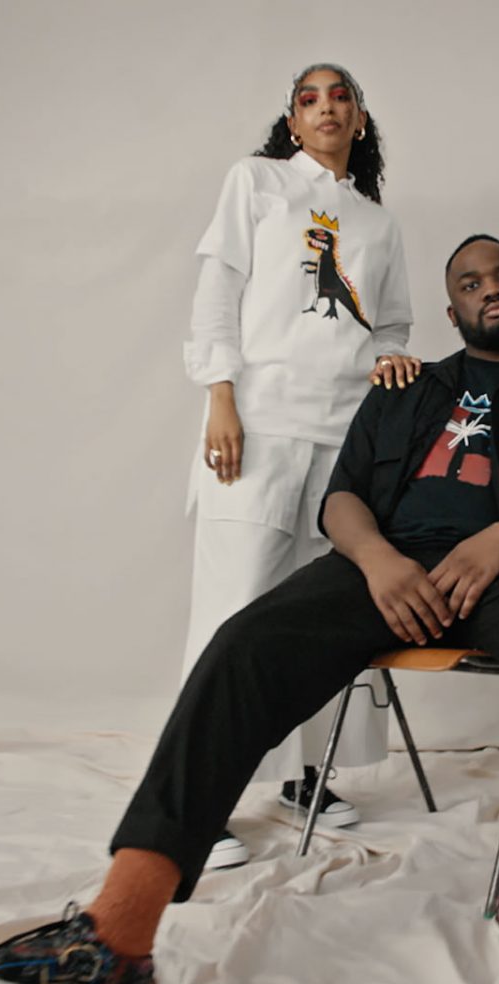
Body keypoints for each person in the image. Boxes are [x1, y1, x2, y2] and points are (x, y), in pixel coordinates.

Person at [0, 236, 499, 984]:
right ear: (451, 312)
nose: (491, 288)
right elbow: (343, 498)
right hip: (385, 566)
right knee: (245, 642)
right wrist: (377, 559)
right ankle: (114, 939)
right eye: (470, 282)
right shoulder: (405, 385)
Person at [181, 62, 423, 869]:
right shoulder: (257, 184)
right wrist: (221, 395)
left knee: (323, 613)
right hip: (259, 425)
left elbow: (390, 326)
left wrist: (390, 363)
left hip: (345, 439)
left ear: (361, 119)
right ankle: (199, 798)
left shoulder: (379, 224)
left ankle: (305, 777)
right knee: (234, 610)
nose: (326, 108)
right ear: (292, 121)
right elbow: (218, 291)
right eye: (309, 99)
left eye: (341, 97)